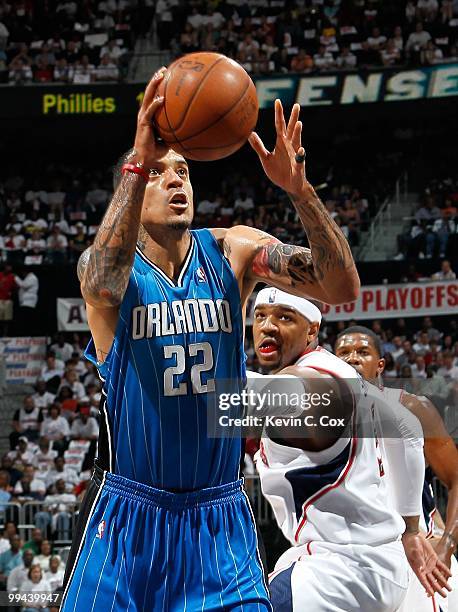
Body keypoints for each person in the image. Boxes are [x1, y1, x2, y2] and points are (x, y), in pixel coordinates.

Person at [61, 69, 359, 611]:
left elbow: (341, 287)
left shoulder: (231, 251)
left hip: (218, 517)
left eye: (183, 172)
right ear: (131, 186)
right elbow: (101, 280)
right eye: (159, 174)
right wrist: (136, 161)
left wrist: (300, 191)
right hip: (129, 515)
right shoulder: (110, 269)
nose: (176, 181)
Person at [250, 288, 451, 611]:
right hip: (382, 559)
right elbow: (407, 430)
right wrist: (411, 527)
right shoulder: (351, 381)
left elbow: (241, 399)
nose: (268, 326)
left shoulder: (312, 381)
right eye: (260, 316)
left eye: (284, 317)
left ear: (312, 331)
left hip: (339, 568)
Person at [335, 325, 458, 612]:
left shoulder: (413, 407)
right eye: (343, 353)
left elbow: (455, 479)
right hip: (359, 554)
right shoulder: (324, 418)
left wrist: (447, 543)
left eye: (362, 352)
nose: (352, 358)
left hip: (419, 549)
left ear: (380, 365)